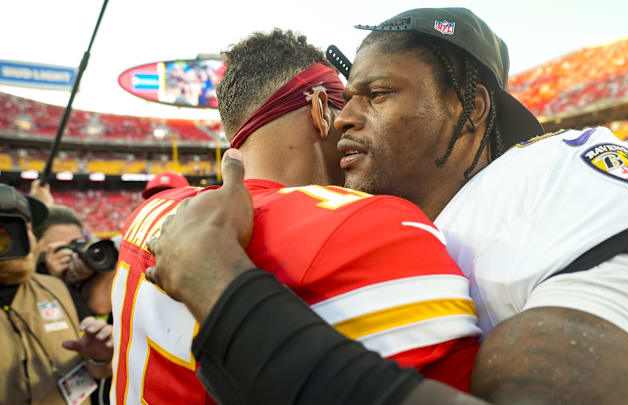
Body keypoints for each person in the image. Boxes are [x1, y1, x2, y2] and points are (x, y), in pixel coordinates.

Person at [148, 7, 628, 405]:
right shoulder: (389, 222)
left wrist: (219, 284)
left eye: (378, 94)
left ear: (469, 107)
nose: (343, 118)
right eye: (347, 98)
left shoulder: (554, 181)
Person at [111, 30, 481, 405]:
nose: (351, 119)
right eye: (345, 102)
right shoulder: (366, 225)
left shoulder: (154, 209)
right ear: (321, 110)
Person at [0, 184, 112, 405]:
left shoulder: (57, 288)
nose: (26, 239)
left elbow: (95, 373)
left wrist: (99, 358)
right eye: (8, 230)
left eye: (29, 228)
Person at [34, 205, 114, 318]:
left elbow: (100, 307)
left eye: (76, 244)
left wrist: (93, 273)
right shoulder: (25, 285)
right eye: (61, 248)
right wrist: (51, 278)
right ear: (34, 244)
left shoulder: (91, 273)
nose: (71, 254)